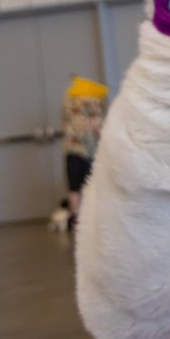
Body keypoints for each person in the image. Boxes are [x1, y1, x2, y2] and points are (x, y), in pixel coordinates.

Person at [60, 76, 108, 231]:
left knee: (75, 187)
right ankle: (82, 218)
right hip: (87, 153)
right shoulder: (91, 110)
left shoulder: (70, 106)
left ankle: (77, 218)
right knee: (85, 187)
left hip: (74, 152)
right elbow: (97, 128)